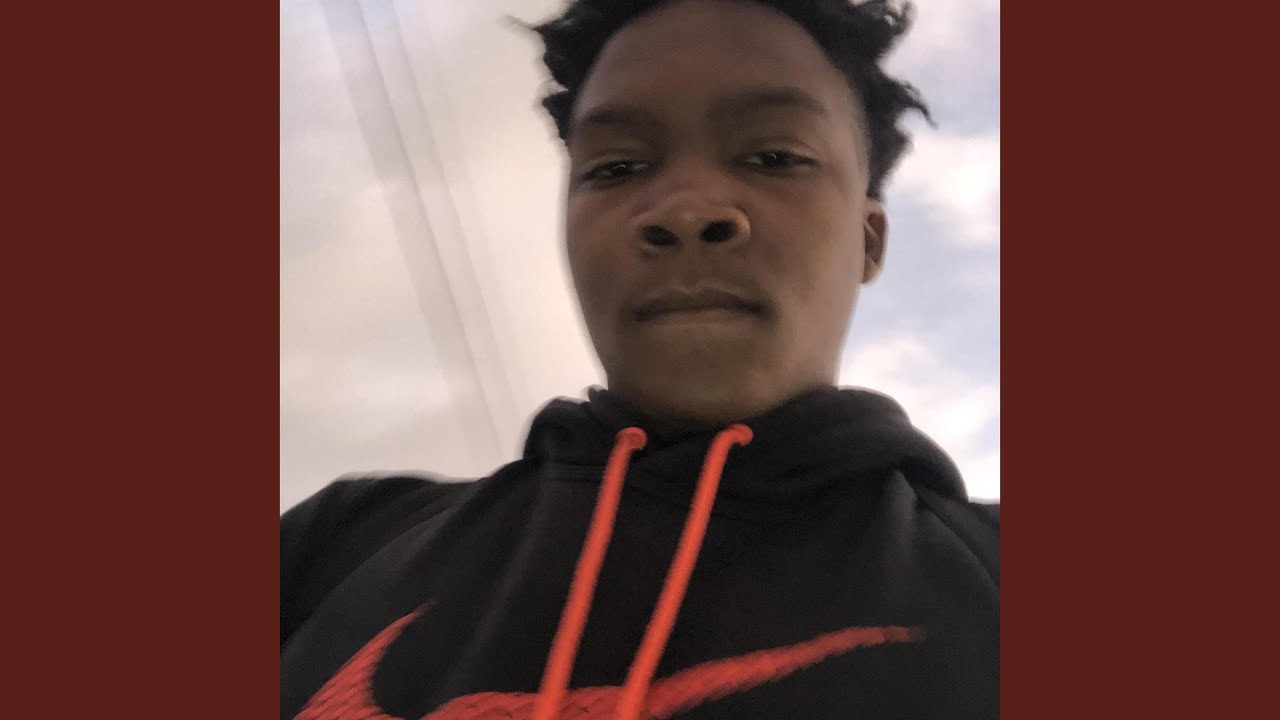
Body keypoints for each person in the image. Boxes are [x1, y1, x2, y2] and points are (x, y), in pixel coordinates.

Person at [280, 0, 999, 718]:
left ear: (868, 240)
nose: (687, 210)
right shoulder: (336, 546)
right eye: (617, 167)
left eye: (774, 158)